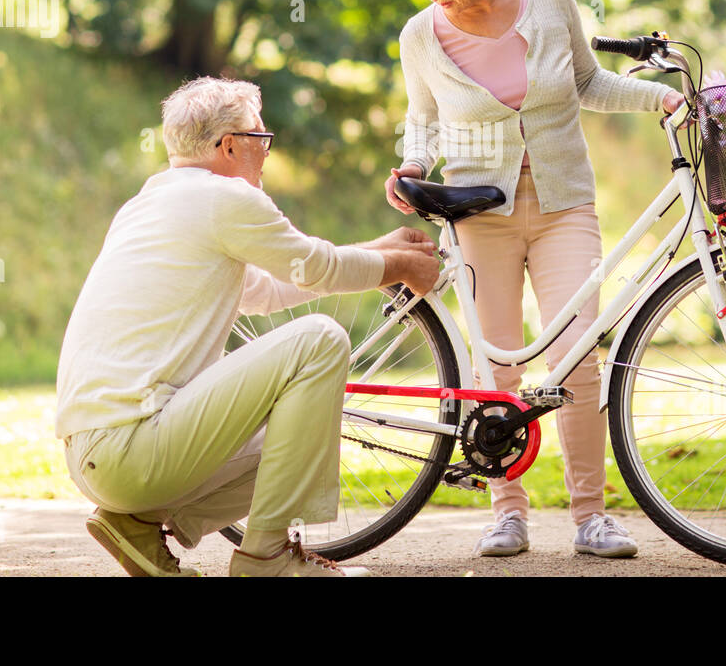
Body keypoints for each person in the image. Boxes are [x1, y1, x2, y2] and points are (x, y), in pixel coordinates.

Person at [384, 0, 686, 559]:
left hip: (562, 206)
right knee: (496, 365)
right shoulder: (420, 34)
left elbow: (588, 82)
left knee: (576, 357)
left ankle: (590, 517)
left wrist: (659, 97)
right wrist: (411, 163)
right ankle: (508, 512)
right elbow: (424, 118)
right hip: (477, 213)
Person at [57, 76, 440, 577]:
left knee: (301, 441)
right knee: (319, 340)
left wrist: (379, 251)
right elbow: (315, 267)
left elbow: (268, 290)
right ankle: (265, 557)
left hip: (99, 456)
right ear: (230, 144)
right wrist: (398, 267)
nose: (266, 152)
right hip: (132, 447)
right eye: (261, 139)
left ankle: (136, 524)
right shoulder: (223, 199)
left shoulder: (152, 202)